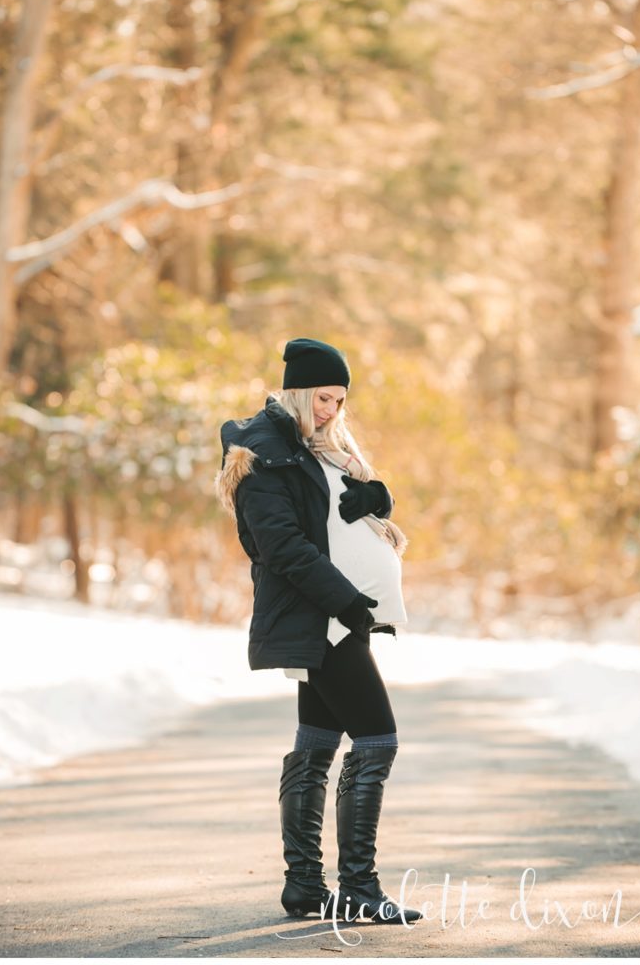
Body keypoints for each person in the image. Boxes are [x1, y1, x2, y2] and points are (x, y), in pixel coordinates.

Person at [214, 338, 422, 928]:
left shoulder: (314, 446)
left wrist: (373, 496)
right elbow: (281, 546)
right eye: (323, 398)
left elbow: (333, 515)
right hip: (323, 618)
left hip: (337, 617)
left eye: (340, 400)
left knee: (317, 744)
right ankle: (358, 886)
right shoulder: (260, 451)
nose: (332, 410)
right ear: (298, 392)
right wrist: (350, 605)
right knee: (377, 740)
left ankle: (305, 885)